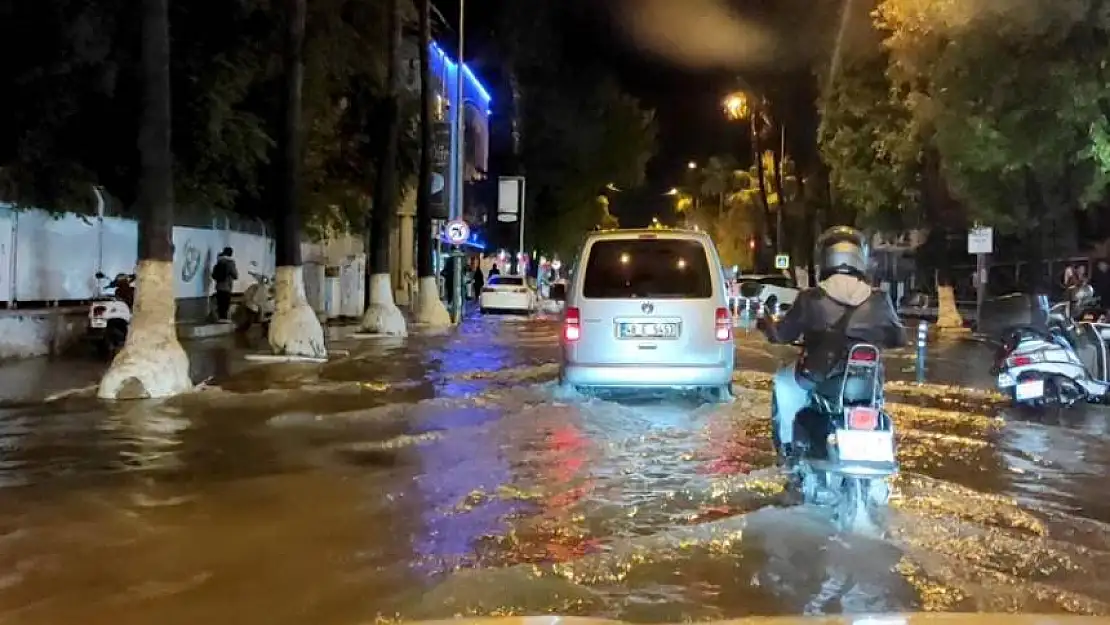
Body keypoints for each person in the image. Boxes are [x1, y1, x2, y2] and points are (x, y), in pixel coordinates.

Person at [759, 226, 906, 460]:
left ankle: (787, 450)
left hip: (820, 375)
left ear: (826, 258)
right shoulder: (880, 299)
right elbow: (899, 338)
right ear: (860, 258)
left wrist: (767, 325)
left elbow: (782, 335)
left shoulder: (811, 298)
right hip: (868, 387)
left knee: (784, 382)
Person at [211, 247, 238, 322]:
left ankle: (220, 318)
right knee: (225, 303)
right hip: (227, 287)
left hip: (218, 286)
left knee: (220, 303)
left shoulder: (219, 261)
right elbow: (235, 276)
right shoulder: (231, 263)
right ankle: (224, 318)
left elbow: (213, 275)